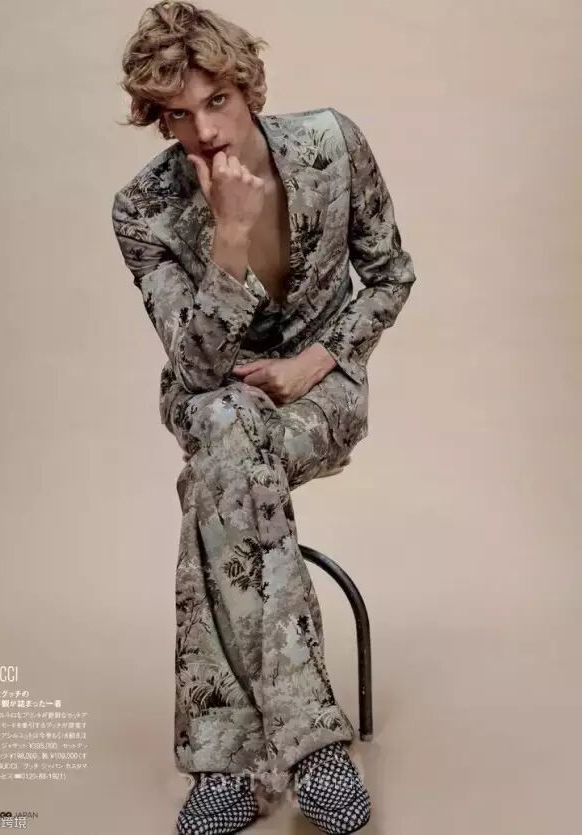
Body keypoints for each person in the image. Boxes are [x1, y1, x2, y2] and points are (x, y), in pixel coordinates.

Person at [111, 3, 417, 833]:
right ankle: (315, 751)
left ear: (248, 88)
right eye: (179, 114)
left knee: (221, 471)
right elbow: (198, 369)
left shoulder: (330, 146)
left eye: (216, 101)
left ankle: (228, 767)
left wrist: (320, 358)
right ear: (159, 119)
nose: (205, 131)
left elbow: (392, 275)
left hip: (321, 396)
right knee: (224, 421)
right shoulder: (143, 210)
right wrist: (229, 240)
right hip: (216, 401)